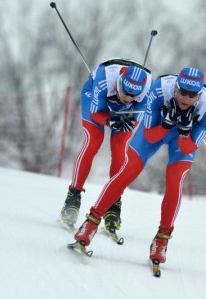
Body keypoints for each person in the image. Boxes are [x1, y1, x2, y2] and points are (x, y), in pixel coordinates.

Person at [72, 67, 206, 265]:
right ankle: (91, 223)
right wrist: (167, 124)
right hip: (157, 127)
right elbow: (150, 135)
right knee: (129, 170)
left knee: (174, 181)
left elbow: (187, 147)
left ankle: (161, 240)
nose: (185, 98)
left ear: (199, 95)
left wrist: (183, 130)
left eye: (192, 95)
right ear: (175, 88)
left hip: (183, 139)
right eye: (182, 92)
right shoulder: (158, 90)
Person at [59, 58, 152, 236]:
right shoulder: (104, 79)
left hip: (125, 112)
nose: (128, 97)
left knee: (120, 148)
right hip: (96, 101)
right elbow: (95, 113)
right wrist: (110, 120)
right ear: (120, 81)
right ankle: (73, 197)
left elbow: (135, 121)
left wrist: (127, 123)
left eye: (134, 95)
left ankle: (114, 204)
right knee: (94, 140)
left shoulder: (148, 91)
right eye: (125, 91)